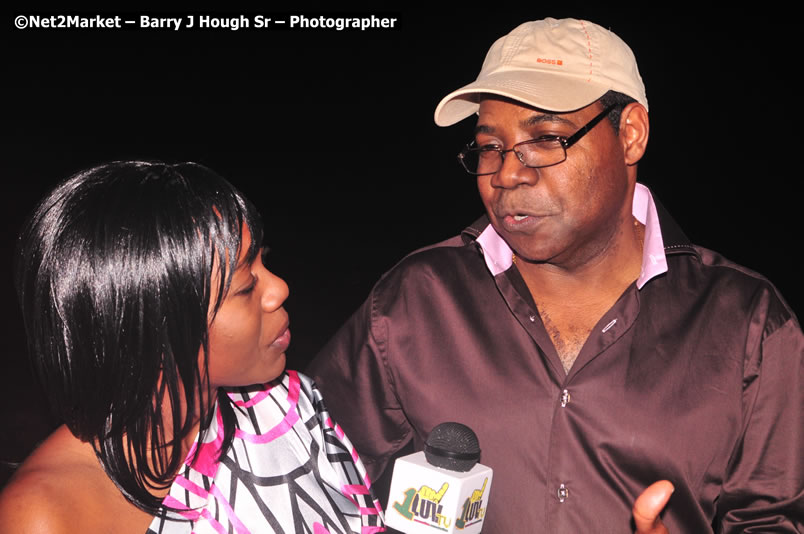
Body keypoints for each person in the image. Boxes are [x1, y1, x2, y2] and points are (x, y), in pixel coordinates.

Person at [308, 17, 804, 533]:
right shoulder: (416, 299)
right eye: (489, 146)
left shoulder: (749, 323)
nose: (506, 173)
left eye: (546, 138)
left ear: (630, 134)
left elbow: (772, 520)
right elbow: (307, 473)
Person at [0, 162, 385, 533]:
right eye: (246, 286)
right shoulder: (46, 516)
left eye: (263, 262)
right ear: (152, 332)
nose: (279, 289)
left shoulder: (290, 408)